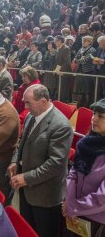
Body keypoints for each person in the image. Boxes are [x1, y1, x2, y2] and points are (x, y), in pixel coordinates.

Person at [9, 84, 72, 237]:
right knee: (28, 230)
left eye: (28, 103)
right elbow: (21, 144)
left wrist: (26, 177)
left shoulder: (61, 125)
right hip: (27, 190)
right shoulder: (32, 115)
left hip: (45, 195)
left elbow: (55, 164)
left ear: (43, 101)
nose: (25, 106)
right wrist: (14, 161)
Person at [63, 99, 105, 236]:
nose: (94, 119)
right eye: (94, 113)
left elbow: (102, 197)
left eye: (101, 116)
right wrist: (69, 201)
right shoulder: (85, 143)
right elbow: (73, 174)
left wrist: (73, 207)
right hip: (74, 210)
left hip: (96, 218)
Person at [73, 35, 96, 108]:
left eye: (85, 41)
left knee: (87, 90)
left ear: (89, 42)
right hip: (80, 71)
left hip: (88, 72)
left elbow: (86, 60)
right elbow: (75, 58)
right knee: (80, 89)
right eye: (83, 41)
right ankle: (80, 104)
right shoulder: (81, 49)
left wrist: (78, 60)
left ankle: (87, 105)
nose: (83, 42)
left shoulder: (92, 50)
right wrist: (77, 60)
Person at [55, 35, 72, 102]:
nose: (55, 42)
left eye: (56, 41)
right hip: (59, 71)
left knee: (64, 89)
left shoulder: (66, 48)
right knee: (60, 89)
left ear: (60, 41)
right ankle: (60, 101)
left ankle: (64, 102)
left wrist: (61, 70)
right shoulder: (59, 48)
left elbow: (67, 62)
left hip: (64, 72)